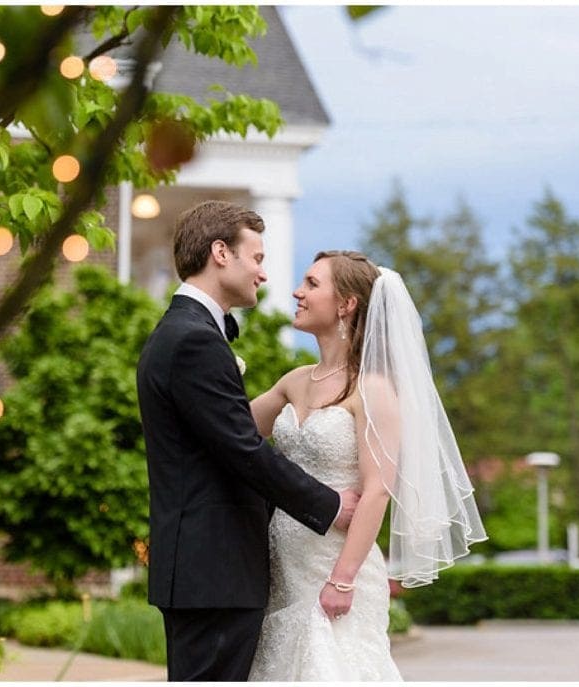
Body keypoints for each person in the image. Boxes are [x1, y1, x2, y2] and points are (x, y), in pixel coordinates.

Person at [136, 201, 361, 682]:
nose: (262, 273)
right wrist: (327, 503)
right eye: (256, 257)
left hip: (210, 573)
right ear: (221, 253)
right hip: (213, 574)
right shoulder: (193, 340)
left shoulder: (187, 333)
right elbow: (242, 449)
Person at [247, 250, 488, 681]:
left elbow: (378, 489)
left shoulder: (372, 389)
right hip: (283, 570)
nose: (297, 293)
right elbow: (234, 433)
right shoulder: (294, 380)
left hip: (334, 568)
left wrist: (342, 579)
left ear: (346, 304)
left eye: (312, 284)